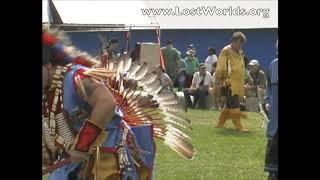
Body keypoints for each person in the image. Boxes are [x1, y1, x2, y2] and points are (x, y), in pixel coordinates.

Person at [42, 27, 195, 180]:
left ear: (48, 65)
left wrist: (83, 145)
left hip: (108, 150)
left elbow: (106, 103)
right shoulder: (47, 91)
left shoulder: (77, 78)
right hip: (74, 156)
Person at [214, 31, 249, 132]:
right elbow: (221, 67)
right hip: (229, 82)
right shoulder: (226, 51)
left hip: (238, 82)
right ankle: (238, 125)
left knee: (229, 104)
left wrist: (246, 76)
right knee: (234, 103)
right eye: (239, 43)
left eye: (242, 43)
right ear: (234, 41)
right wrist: (221, 80)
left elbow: (242, 66)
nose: (241, 45)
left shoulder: (240, 52)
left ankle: (220, 123)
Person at [264, 41, 278, 180]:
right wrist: (268, 101)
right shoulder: (273, 64)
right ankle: (273, 173)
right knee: (273, 141)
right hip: (275, 115)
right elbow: (268, 86)